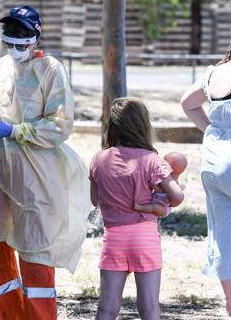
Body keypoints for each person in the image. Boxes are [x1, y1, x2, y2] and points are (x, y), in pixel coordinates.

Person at [0, 5, 90, 320]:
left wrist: (16, 130)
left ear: (35, 38)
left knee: (36, 257)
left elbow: (60, 123)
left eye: (23, 40)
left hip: (35, 179)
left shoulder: (50, 70)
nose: (17, 47)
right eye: (11, 40)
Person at [180, 32, 231, 318]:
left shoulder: (213, 72)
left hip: (213, 162)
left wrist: (211, 130)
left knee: (222, 231)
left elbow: (187, 103)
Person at [89, 97, 185, 320]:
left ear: (112, 126)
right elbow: (177, 196)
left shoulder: (99, 159)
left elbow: (96, 200)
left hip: (113, 238)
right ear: (144, 126)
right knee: (149, 308)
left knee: (107, 308)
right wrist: (157, 200)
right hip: (144, 237)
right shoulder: (152, 160)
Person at [134, 151, 188, 217]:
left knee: (154, 207)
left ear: (169, 166)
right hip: (159, 202)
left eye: (164, 162)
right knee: (154, 206)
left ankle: (139, 207)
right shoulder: (168, 178)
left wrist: (155, 187)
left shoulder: (173, 182)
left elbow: (166, 192)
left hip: (164, 207)